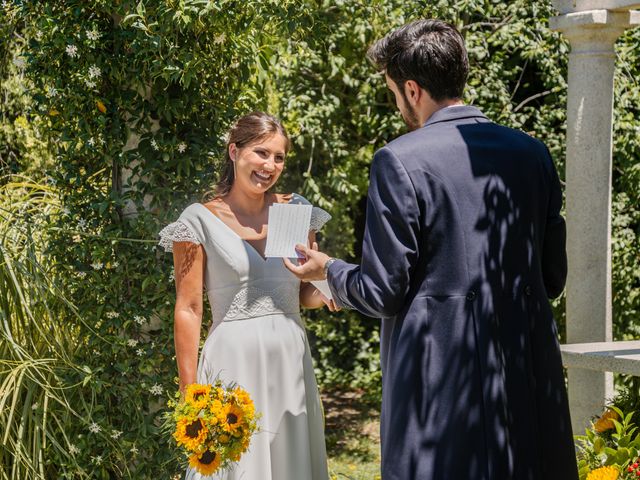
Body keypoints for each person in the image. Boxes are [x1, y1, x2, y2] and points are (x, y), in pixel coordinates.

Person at [285, 19, 578, 480]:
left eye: (393, 93)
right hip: (526, 386)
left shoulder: (399, 160)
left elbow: (383, 291)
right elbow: (552, 279)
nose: (398, 105)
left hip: (439, 391)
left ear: (413, 89)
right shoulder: (533, 153)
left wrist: (328, 270)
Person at [159, 112, 332, 480]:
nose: (270, 166)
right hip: (231, 366)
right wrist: (191, 394)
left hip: (290, 361)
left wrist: (333, 289)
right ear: (234, 151)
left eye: (279, 157)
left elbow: (305, 293)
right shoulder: (197, 220)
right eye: (261, 153)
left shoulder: (295, 211)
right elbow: (188, 309)